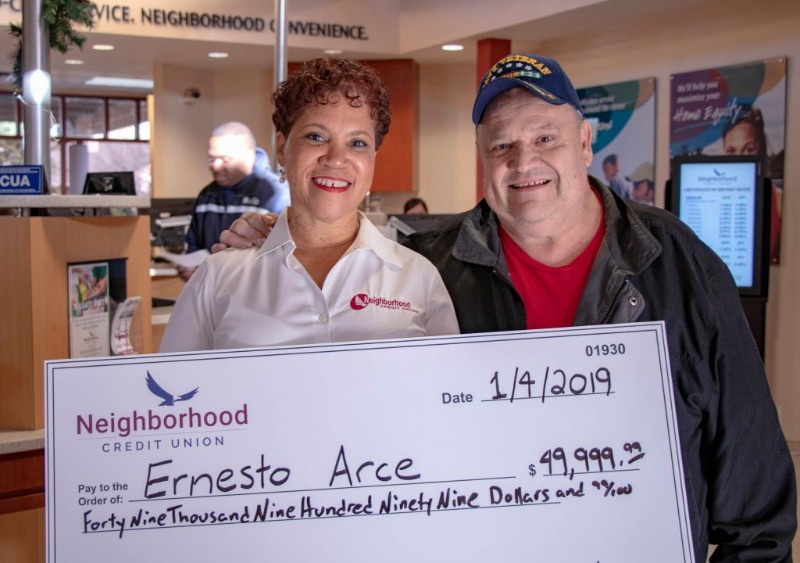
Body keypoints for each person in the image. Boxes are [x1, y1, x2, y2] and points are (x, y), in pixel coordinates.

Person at [217, 53, 796, 560]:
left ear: (586, 143)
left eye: (546, 137)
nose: (524, 162)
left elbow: (756, 490)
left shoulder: (680, 265)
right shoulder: (428, 273)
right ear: (481, 156)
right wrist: (274, 234)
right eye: (502, 145)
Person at [160, 58, 459, 352]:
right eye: (316, 137)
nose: (336, 158)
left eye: (357, 143)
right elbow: (175, 392)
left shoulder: (418, 277)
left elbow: (447, 392)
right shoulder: (219, 276)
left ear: (372, 160)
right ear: (282, 148)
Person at [179, 121, 289, 281]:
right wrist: (190, 268)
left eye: (225, 159)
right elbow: (193, 244)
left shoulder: (276, 194)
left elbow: (284, 257)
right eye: (212, 159)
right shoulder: (206, 195)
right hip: (210, 290)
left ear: (248, 155)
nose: (216, 166)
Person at [722, 106, 782, 263]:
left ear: (761, 149)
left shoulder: (778, 201)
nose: (739, 159)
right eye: (731, 151)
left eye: (749, 149)